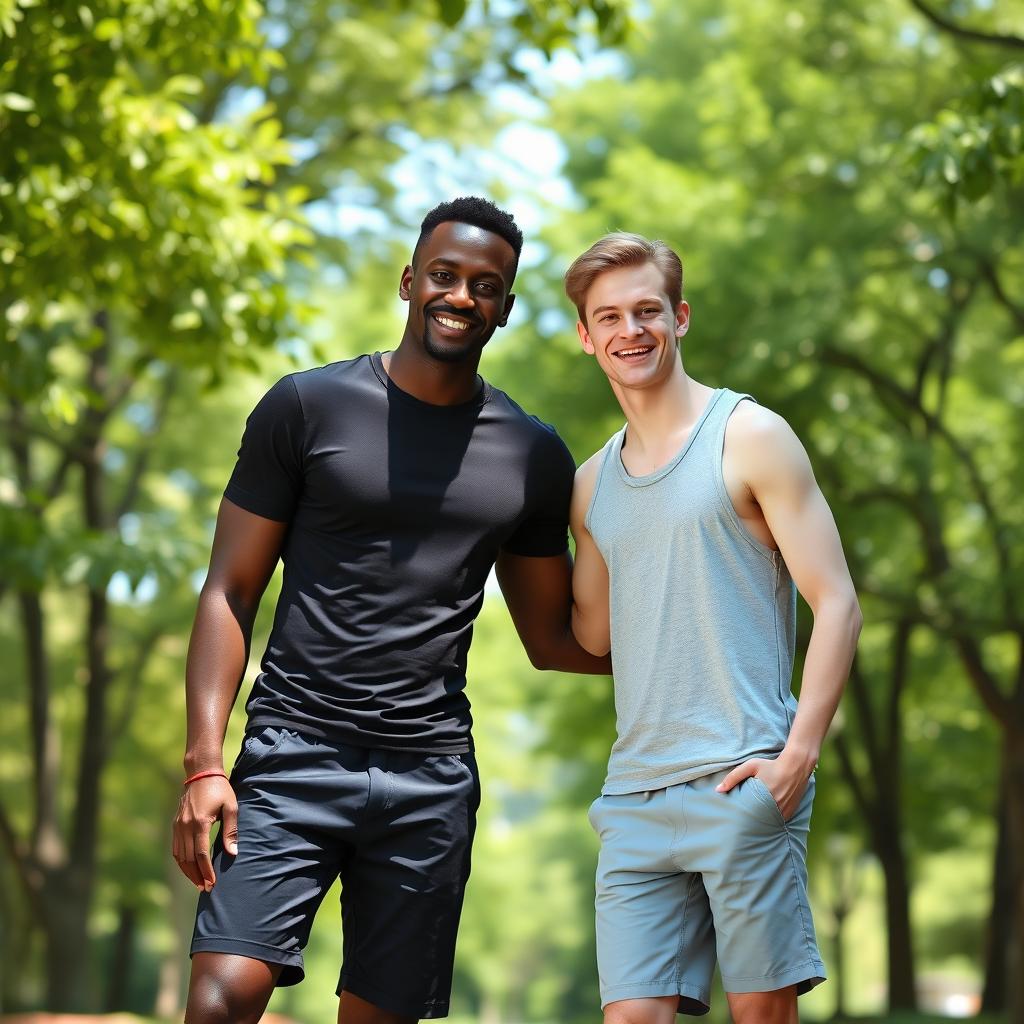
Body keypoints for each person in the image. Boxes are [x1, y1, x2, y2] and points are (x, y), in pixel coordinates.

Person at [172, 196, 610, 1024]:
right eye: (444, 275)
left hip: (429, 779)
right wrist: (204, 763)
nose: (461, 296)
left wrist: (696, 638)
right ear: (411, 280)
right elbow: (229, 591)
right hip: (291, 752)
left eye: (486, 286)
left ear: (506, 310)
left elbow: (553, 640)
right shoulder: (306, 408)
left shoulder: (531, 453)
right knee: (222, 998)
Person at [565, 232, 862, 1024]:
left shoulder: (751, 436)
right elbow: (595, 635)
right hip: (632, 797)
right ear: (585, 336)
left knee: (759, 1015)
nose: (632, 330)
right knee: (631, 1017)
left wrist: (797, 757)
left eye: (647, 311)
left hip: (743, 777)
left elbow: (837, 602)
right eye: (610, 317)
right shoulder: (589, 485)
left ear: (680, 317)